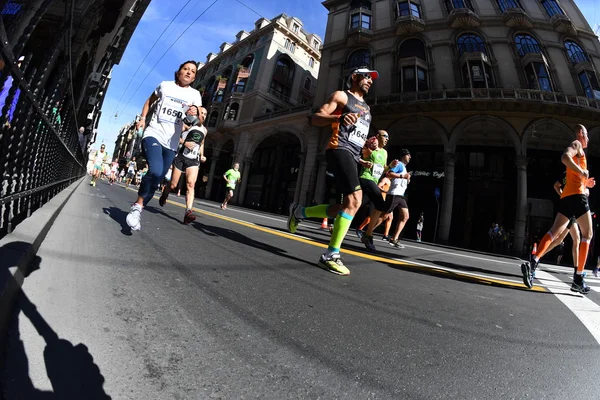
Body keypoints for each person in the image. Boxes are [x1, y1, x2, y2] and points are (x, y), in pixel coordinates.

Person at [287, 66, 379, 275]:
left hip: (353, 155)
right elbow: (317, 117)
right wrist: (337, 118)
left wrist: (365, 153)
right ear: (354, 76)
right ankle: (331, 255)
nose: (370, 81)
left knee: (344, 207)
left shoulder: (367, 109)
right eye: (366, 77)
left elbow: (357, 136)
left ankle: (300, 212)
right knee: (355, 200)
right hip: (338, 149)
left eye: (372, 79)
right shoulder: (341, 96)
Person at [126, 60, 202, 231]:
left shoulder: (195, 95)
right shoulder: (165, 86)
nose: (189, 72)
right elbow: (149, 101)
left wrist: (195, 113)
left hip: (172, 143)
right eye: (186, 69)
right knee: (154, 170)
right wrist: (143, 118)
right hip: (153, 133)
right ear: (179, 72)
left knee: (158, 178)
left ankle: (139, 208)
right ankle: (137, 206)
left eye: (193, 71)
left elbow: (199, 119)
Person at [521, 124, 595, 294]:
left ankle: (534, 261)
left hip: (568, 198)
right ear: (581, 134)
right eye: (587, 135)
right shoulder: (576, 144)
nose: (588, 139)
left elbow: (574, 176)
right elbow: (564, 158)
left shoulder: (579, 152)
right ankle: (578, 278)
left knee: (555, 233)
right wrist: (582, 171)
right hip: (577, 197)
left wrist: (586, 181)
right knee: (587, 235)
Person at [159, 106, 208, 224]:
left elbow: (201, 143)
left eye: (205, 114)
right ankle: (165, 192)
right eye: (201, 113)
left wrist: (202, 155)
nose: (203, 115)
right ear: (196, 114)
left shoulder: (205, 130)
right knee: (174, 185)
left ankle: (188, 212)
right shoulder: (187, 124)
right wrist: (185, 143)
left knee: (191, 185)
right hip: (182, 157)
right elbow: (175, 136)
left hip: (193, 160)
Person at [364, 149, 412, 249]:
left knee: (405, 216)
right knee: (384, 216)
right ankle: (368, 232)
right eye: (408, 155)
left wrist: (406, 179)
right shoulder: (399, 165)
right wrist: (403, 176)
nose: (410, 157)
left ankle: (394, 238)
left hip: (400, 196)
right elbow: (389, 174)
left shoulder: (404, 167)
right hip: (394, 194)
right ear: (403, 156)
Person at [356, 131, 395, 251]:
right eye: (385, 136)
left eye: (388, 137)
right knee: (380, 205)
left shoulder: (384, 152)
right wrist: (367, 147)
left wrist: (390, 166)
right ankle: (368, 235)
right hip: (365, 178)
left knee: (354, 204)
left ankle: (366, 234)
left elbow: (383, 169)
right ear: (377, 137)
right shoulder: (370, 146)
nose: (387, 139)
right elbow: (360, 156)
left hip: (374, 181)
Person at [356, 174, 393, 241]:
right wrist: (385, 191)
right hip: (379, 198)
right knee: (371, 216)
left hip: (386, 200)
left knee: (389, 217)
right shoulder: (385, 179)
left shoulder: (391, 181)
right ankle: (360, 228)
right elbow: (378, 186)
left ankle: (385, 235)